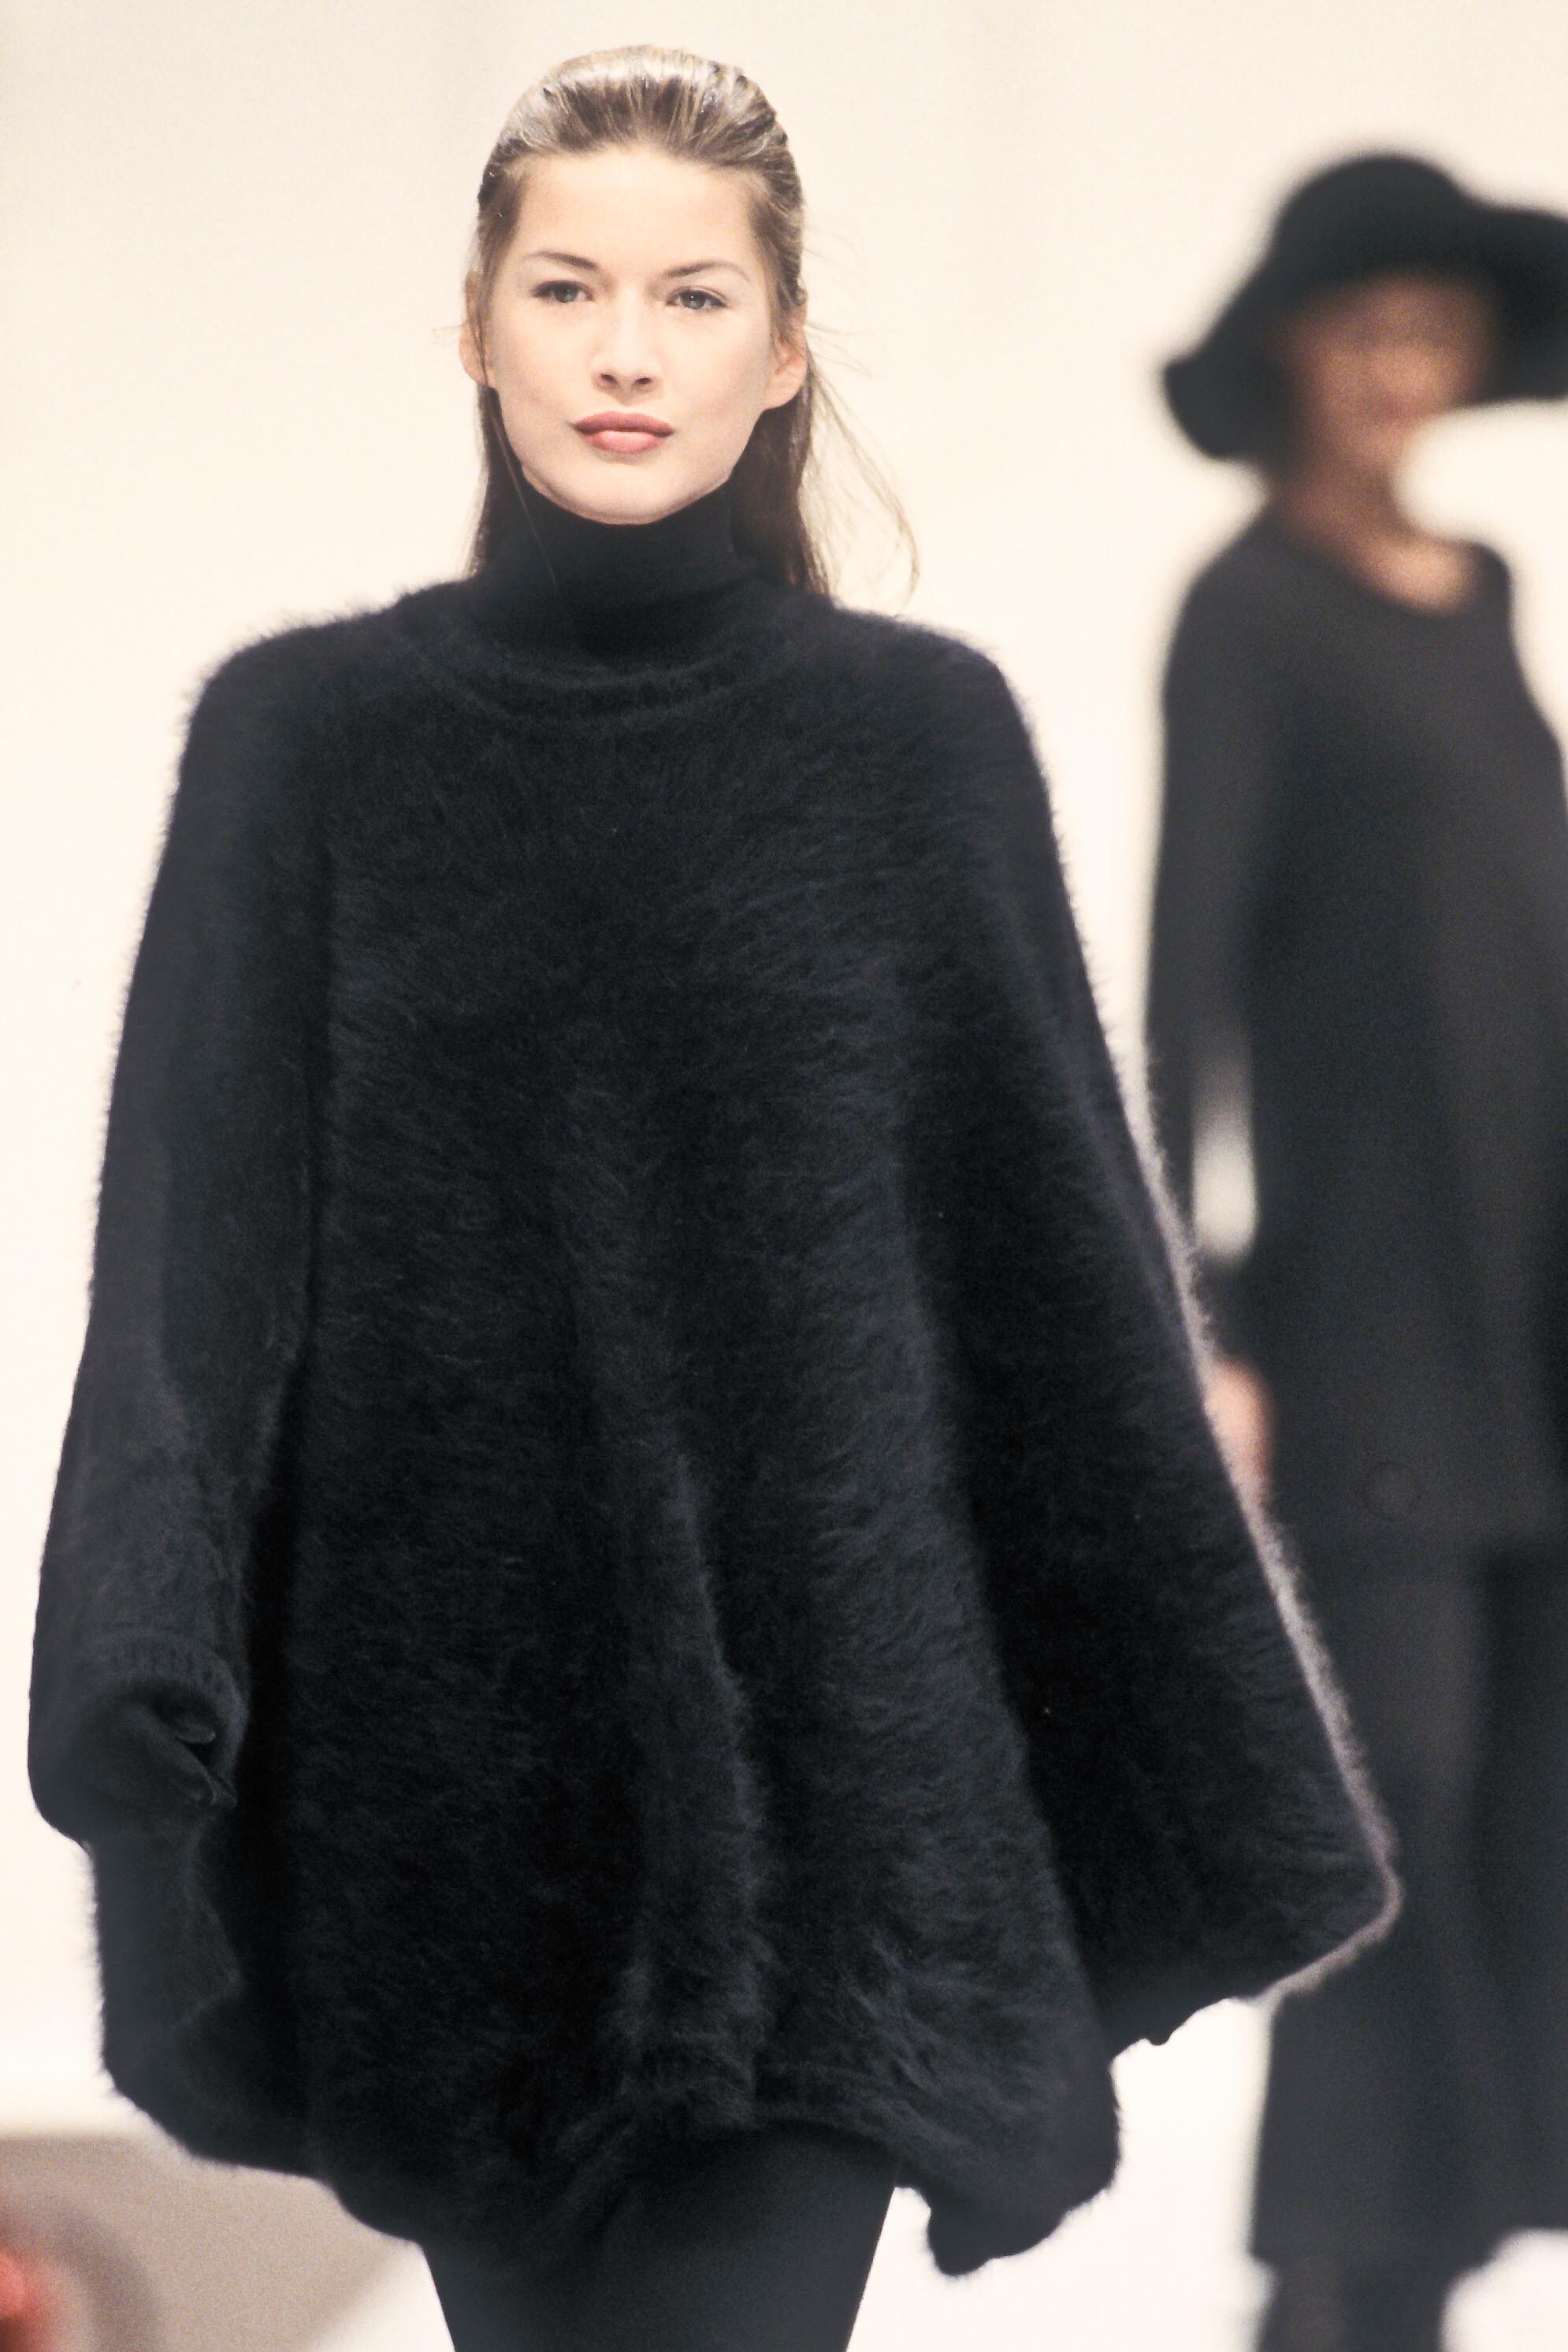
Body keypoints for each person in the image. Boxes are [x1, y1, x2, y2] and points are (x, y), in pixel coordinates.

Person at [29, 50, 1391, 2352]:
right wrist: (141, 1659)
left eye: (692, 294)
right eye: (569, 287)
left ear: (780, 352)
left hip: (834, 1803)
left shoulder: (913, 746)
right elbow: (192, 1254)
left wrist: (1191, 1758)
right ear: (478, 327)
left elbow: (1058, 1281)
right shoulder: (308, 744)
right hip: (439, 1802)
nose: (627, 350)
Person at [1149, 151, 1568, 2352]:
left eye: (1436, 329)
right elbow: (1179, 996)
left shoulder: (1485, 591)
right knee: (1389, 1816)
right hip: (1369, 1340)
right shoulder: (1251, 612)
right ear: (1296, 356)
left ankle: (1418, 2296)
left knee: (1526, 1829)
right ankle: (1329, 2311)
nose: (1404, 367)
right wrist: (1194, 1318)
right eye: (1365, 328)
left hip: (1543, 1326)